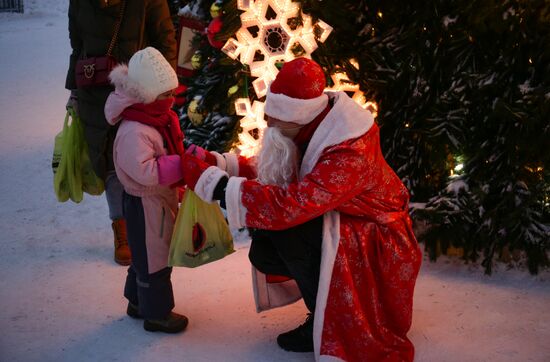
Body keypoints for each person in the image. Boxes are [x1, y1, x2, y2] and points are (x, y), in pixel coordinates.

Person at [180, 58, 422, 361]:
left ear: (298, 118)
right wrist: (220, 163)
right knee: (268, 246)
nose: (269, 127)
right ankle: (322, 304)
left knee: (288, 231)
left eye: (276, 122)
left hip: (376, 241)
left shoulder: (348, 152)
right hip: (344, 221)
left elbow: (291, 204)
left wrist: (216, 186)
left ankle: (326, 317)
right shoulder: (314, 124)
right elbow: (279, 169)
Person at [65, 0, 177, 266]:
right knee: (109, 163)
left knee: (142, 158)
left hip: (140, 93)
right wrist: (74, 92)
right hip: (95, 92)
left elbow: (166, 40)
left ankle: (151, 224)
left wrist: (162, 89)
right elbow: (77, 46)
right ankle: (122, 230)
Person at [103, 46, 188, 333]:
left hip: (157, 201)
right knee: (154, 261)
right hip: (144, 203)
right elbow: (145, 171)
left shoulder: (154, 118)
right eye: (165, 95)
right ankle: (157, 314)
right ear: (147, 95)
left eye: (172, 93)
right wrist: (180, 165)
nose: (171, 100)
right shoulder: (134, 130)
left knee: (145, 255)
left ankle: (137, 301)